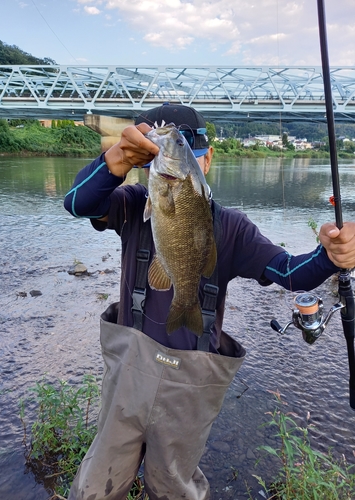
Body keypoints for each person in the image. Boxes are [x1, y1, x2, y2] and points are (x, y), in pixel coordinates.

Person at [64, 103, 355, 500]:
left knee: (174, 486)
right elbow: (79, 203)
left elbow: (289, 272)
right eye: (151, 155)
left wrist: (328, 257)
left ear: (208, 159)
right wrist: (110, 162)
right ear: (145, 162)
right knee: (96, 484)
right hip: (127, 375)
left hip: (192, 379)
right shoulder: (133, 203)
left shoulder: (232, 227)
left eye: (190, 152)